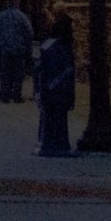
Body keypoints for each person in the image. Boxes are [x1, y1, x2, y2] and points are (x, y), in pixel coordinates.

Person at [36, 11, 77, 156]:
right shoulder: (63, 46)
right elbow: (67, 68)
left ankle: (48, 143)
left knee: (50, 117)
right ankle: (60, 145)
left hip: (49, 86)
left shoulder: (48, 44)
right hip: (58, 88)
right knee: (60, 118)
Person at [0, 0, 34, 103]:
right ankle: (17, 95)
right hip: (19, 48)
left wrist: (0, 44)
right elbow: (30, 32)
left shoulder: (1, 16)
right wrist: (26, 44)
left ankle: (5, 95)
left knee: (5, 72)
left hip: (5, 48)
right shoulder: (22, 16)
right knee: (18, 72)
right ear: (17, 3)